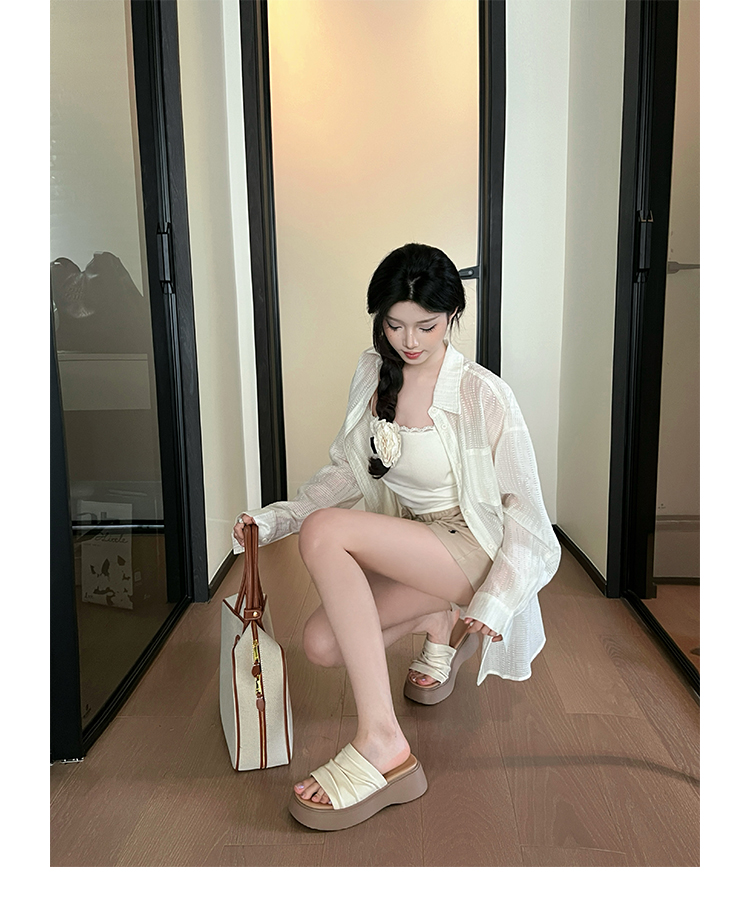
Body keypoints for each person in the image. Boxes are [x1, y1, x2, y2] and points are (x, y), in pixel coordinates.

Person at [232, 243, 561, 831]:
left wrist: (497, 599)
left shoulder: (481, 393)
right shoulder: (372, 372)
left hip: (473, 548)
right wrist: (276, 519)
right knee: (322, 645)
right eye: (395, 324)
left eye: (426, 326)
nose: (410, 341)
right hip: (419, 544)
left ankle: (382, 742)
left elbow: (529, 516)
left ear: (452, 317)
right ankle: (436, 618)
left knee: (327, 532)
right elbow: (348, 470)